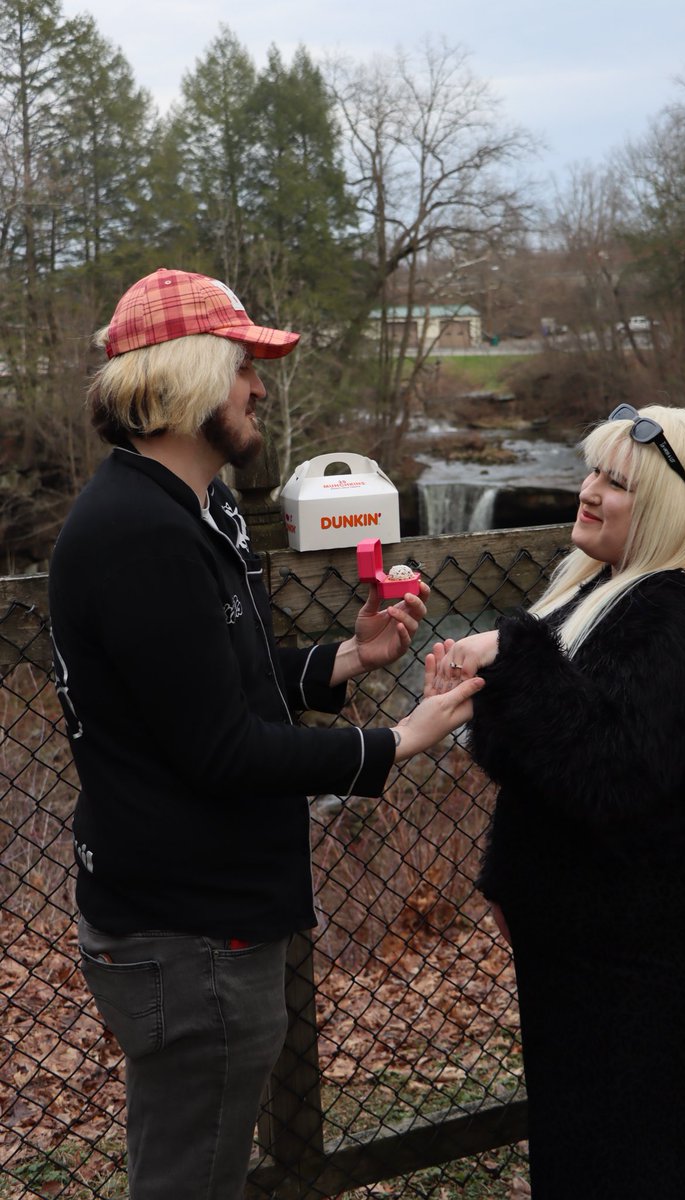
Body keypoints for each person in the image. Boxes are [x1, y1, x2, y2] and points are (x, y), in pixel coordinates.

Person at [48, 267, 483, 1200]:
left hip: (211, 917)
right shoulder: (135, 534)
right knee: (191, 1176)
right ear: (192, 377)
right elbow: (223, 750)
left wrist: (349, 661)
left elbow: (221, 683)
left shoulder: (204, 509)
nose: (259, 386)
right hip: (187, 930)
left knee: (194, 1154)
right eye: (245, 365)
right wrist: (399, 740)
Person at [430, 403, 685, 1200]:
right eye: (590, 471)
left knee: (641, 1149)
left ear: (673, 505)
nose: (587, 492)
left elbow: (608, 777)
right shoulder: (604, 589)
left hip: (657, 940)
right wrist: (483, 693)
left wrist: (513, 655)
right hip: (594, 928)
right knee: (583, 1138)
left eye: (616, 482)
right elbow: (538, 764)